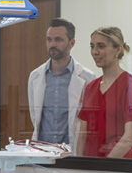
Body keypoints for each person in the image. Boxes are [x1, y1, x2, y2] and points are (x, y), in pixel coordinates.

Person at [75, 26, 132, 159]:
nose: (95, 52)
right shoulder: (91, 87)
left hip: (120, 167)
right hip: (93, 165)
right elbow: (83, 134)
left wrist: (104, 167)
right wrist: (81, 164)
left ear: (118, 49)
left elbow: (129, 137)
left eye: (101, 46)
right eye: (92, 46)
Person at [26, 17, 97, 149]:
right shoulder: (35, 77)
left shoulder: (88, 78)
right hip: (41, 152)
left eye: (58, 40)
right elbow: (34, 117)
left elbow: (88, 122)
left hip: (71, 153)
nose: (52, 44)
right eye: (49, 39)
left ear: (72, 43)